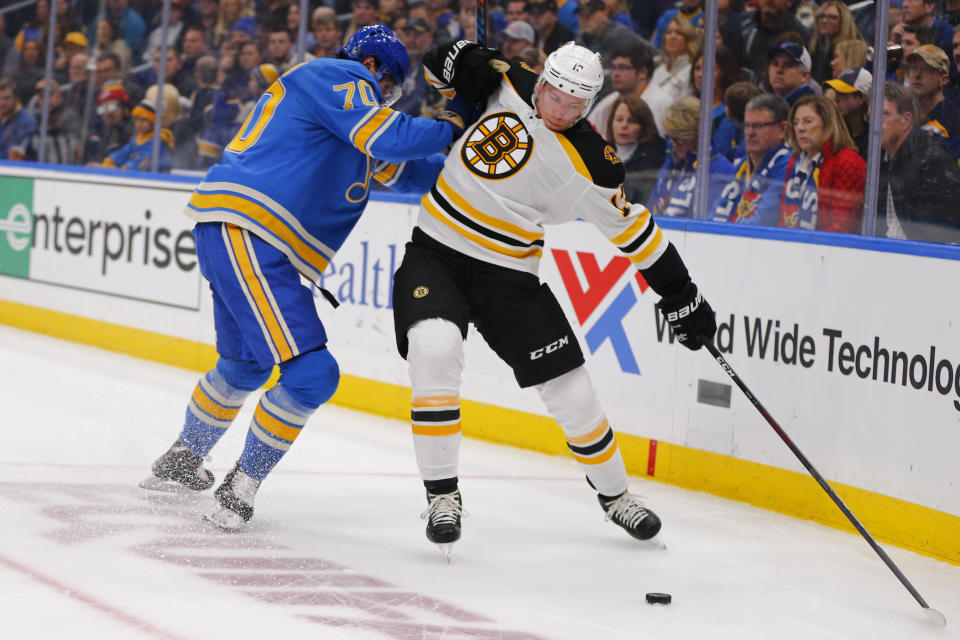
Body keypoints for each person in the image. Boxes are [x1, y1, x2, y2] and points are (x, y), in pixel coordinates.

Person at [139, 25, 485, 531]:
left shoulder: (343, 120)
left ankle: (180, 460)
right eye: (388, 88)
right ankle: (239, 490)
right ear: (373, 68)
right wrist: (456, 118)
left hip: (236, 231)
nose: (385, 99)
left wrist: (477, 150)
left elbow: (410, 169)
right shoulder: (339, 75)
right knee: (311, 374)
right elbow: (390, 136)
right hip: (255, 234)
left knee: (245, 365)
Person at [402, 41, 718, 556]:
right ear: (542, 81)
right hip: (437, 253)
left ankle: (616, 496)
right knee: (434, 350)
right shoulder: (507, 78)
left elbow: (636, 233)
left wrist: (682, 296)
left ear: (588, 106)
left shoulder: (594, 163)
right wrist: (459, 55)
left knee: (571, 390)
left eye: (574, 106)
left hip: (510, 274)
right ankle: (442, 496)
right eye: (553, 96)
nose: (558, 110)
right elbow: (437, 72)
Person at [877, 82, 960, 243]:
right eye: (871, 115)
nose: (875, 123)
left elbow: (939, 237)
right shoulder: (880, 158)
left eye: (883, 114)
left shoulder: (932, 161)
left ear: (906, 120)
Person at [780, 94, 865, 233]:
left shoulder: (847, 162)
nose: (800, 128)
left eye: (808, 121)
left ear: (827, 125)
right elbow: (784, 218)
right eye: (795, 123)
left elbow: (842, 226)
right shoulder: (795, 161)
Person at [648, 96, 735, 218]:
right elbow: (650, 211)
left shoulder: (721, 170)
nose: (674, 144)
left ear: (699, 135)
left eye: (680, 139)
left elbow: (710, 224)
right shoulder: (669, 166)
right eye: (671, 138)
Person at [712, 94, 791, 226]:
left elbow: (763, 220)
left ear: (782, 129)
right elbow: (717, 208)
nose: (750, 132)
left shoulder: (786, 165)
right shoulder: (745, 162)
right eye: (747, 125)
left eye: (758, 126)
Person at [587, 44, 670, 137]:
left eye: (622, 68)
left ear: (643, 72)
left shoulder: (660, 102)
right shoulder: (609, 101)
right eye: (614, 68)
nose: (615, 74)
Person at [605, 93, 665, 204]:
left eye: (632, 121)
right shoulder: (600, 151)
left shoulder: (654, 157)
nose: (624, 125)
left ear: (644, 126)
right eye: (619, 119)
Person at [906, 44, 960, 160]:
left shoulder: (955, 118)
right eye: (913, 68)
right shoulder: (902, 114)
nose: (917, 75)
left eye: (927, 69)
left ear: (944, 79)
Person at [100, 98, 173, 172]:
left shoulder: (158, 140)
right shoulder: (137, 140)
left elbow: (144, 161)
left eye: (143, 120)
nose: (139, 124)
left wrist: (125, 168)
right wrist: (110, 161)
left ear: (154, 122)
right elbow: (123, 153)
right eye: (136, 119)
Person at [808, 1, 864, 84]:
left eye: (832, 17)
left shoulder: (854, 48)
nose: (824, 20)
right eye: (821, 16)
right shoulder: (815, 47)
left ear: (843, 21)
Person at [825, 66, 871, 160]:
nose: (836, 99)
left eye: (843, 94)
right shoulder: (831, 133)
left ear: (861, 98)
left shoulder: (874, 140)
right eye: (836, 93)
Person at [649, 17, 698, 104]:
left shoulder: (692, 71)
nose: (672, 37)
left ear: (688, 39)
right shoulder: (659, 70)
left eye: (679, 33)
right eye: (669, 32)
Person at [84, 84, 133, 165]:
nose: (108, 113)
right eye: (102, 109)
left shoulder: (135, 131)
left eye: (111, 107)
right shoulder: (103, 134)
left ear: (125, 109)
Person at [767, 41, 817, 106]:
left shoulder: (809, 108)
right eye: (775, 64)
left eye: (788, 65)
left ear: (804, 76)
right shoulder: (769, 104)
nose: (779, 70)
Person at [0, 78, 37, 161]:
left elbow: (14, 156)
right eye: (0, 98)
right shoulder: (2, 117)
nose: (2, 103)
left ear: (16, 99)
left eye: (6, 98)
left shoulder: (26, 123)